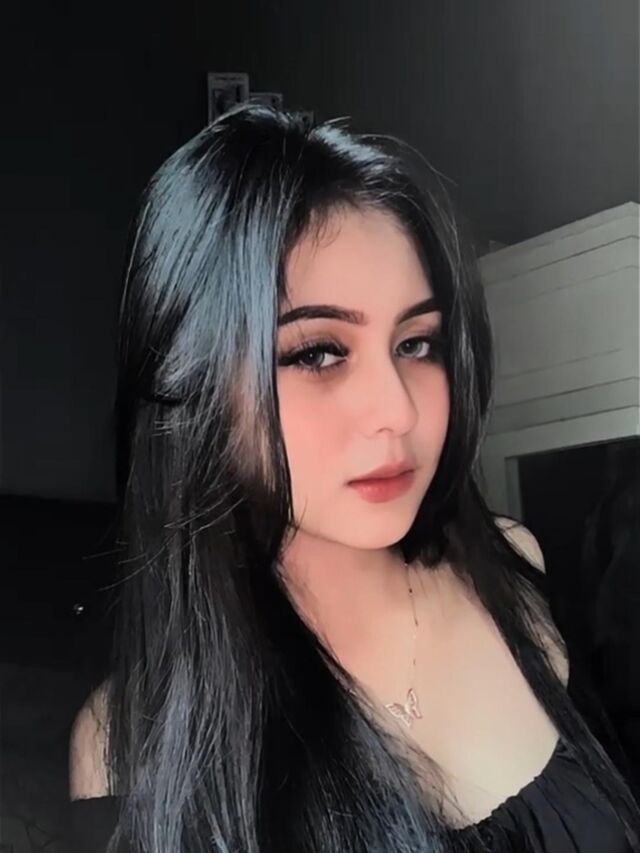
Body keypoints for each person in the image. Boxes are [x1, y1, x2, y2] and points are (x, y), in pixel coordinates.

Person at [66, 104, 640, 852]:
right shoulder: (127, 750)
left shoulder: (519, 569)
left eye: (417, 343)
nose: (398, 411)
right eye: (318, 353)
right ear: (194, 383)